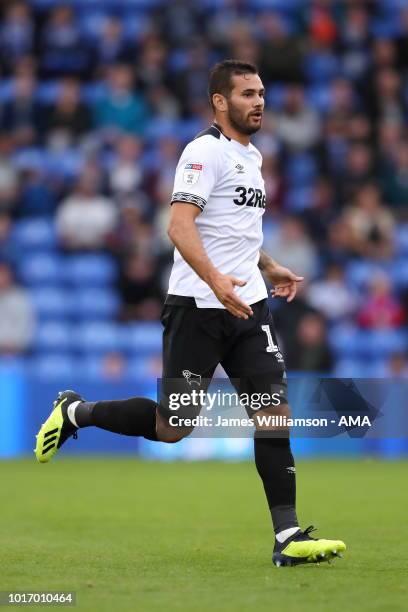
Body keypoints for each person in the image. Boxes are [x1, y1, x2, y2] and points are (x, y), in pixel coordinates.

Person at [35, 60, 346, 567]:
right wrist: (216, 281)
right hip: (197, 308)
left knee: (273, 415)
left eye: (262, 92)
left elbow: (236, 230)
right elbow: (180, 227)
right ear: (220, 101)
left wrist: (268, 265)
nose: (259, 101)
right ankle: (76, 412)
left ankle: (287, 536)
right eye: (247, 93)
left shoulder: (254, 157)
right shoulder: (203, 152)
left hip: (248, 308)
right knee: (173, 426)